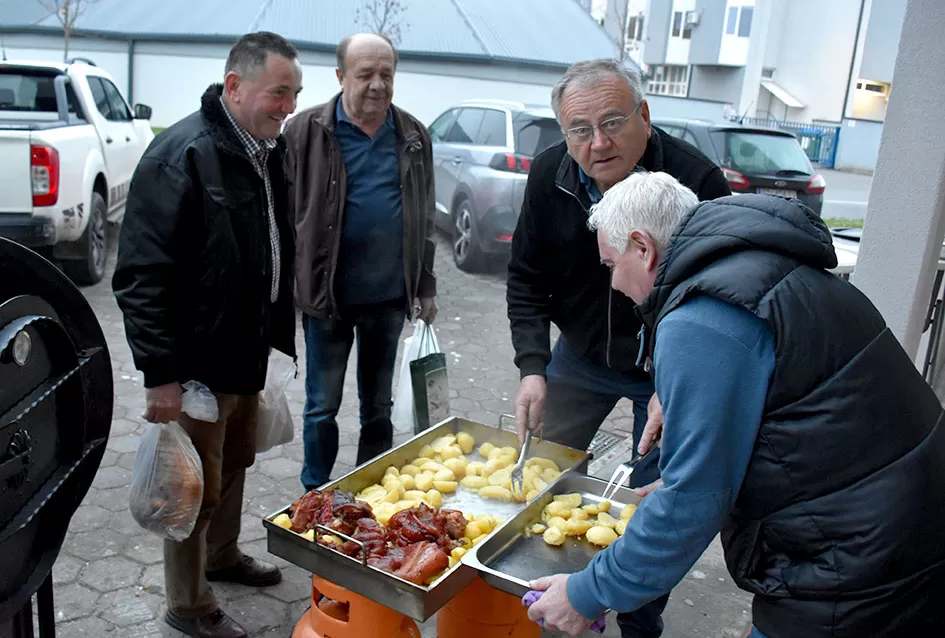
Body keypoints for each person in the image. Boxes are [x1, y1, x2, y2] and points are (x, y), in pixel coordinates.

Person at [525, 171, 945, 637]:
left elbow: (695, 500)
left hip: (855, 565)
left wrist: (587, 594)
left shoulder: (702, 320)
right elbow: (795, 416)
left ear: (643, 248)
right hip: (903, 523)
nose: (615, 284)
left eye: (610, 265)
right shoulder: (760, 268)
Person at [506, 58, 731, 637]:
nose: (597, 143)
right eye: (579, 129)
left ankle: (636, 622)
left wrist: (678, 383)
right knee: (535, 479)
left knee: (647, 503)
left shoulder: (696, 180)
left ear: (645, 116)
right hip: (579, 358)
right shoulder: (551, 173)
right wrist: (533, 368)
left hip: (664, 367)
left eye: (612, 122)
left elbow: (718, 291)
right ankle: (545, 602)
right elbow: (526, 278)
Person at [112, 32, 302, 638]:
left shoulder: (263, 150)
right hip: (196, 364)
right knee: (191, 485)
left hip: (246, 348)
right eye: (279, 93)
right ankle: (188, 604)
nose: (289, 106)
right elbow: (142, 276)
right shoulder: (183, 154)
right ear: (235, 87)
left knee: (236, 463)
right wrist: (161, 374)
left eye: (295, 94)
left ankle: (222, 558)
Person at [284, 33, 437, 490]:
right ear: (340, 76)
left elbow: (425, 217)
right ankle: (315, 494)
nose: (377, 84)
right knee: (321, 406)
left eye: (386, 74)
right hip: (326, 297)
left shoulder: (412, 136)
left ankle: (371, 497)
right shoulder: (304, 131)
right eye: (365, 73)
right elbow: (281, 210)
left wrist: (425, 285)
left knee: (378, 409)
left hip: (388, 298)